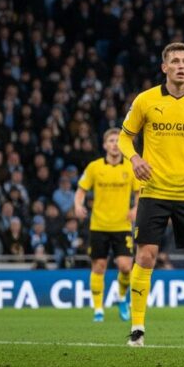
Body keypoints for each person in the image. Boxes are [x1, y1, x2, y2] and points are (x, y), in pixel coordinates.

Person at [118, 42, 184, 347]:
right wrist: (134, 159)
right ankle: (137, 328)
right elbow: (125, 138)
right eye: (175, 61)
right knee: (146, 256)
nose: (180, 65)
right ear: (164, 67)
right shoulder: (146, 100)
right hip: (154, 190)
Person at [74, 128, 141, 322]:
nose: (114, 144)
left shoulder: (130, 167)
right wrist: (77, 205)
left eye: (118, 140)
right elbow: (81, 190)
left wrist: (136, 208)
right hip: (99, 225)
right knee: (99, 267)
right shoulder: (94, 167)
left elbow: (139, 192)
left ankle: (121, 298)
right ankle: (98, 309)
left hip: (122, 226)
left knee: (126, 267)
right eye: (111, 140)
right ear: (105, 145)